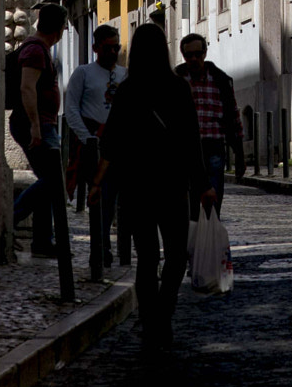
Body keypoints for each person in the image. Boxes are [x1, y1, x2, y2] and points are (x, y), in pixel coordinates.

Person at [98, 23, 210, 355]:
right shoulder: (178, 88)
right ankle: (165, 309)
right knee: (176, 255)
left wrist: (100, 181)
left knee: (146, 258)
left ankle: (150, 318)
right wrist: (202, 184)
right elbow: (193, 141)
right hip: (172, 185)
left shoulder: (128, 90)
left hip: (136, 188)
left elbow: (111, 141)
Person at [8, 3, 67, 257]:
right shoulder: (34, 51)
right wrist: (35, 126)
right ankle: (10, 219)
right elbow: (27, 88)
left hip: (42, 123)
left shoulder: (39, 49)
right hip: (36, 124)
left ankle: (42, 242)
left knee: (49, 181)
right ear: (60, 29)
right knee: (53, 181)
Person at [64, 25, 123, 260]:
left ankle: (115, 247)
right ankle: (100, 248)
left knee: (117, 198)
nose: (112, 52)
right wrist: (86, 136)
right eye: (107, 47)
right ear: (95, 48)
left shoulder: (124, 75)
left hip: (118, 146)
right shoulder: (83, 73)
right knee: (99, 196)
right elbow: (71, 108)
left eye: (116, 47)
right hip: (93, 145)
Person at [176, 32, 243, 202]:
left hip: (213, 147)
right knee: (187, 202)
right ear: (183, 56)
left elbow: (233, 116)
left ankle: (210, 227)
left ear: (205, 53)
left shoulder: (220, 80)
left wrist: (239, 152)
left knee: (212, 201)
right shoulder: (177, 81)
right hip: (184, 150)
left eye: (198, 54)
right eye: (189, 55)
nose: (193, 59)